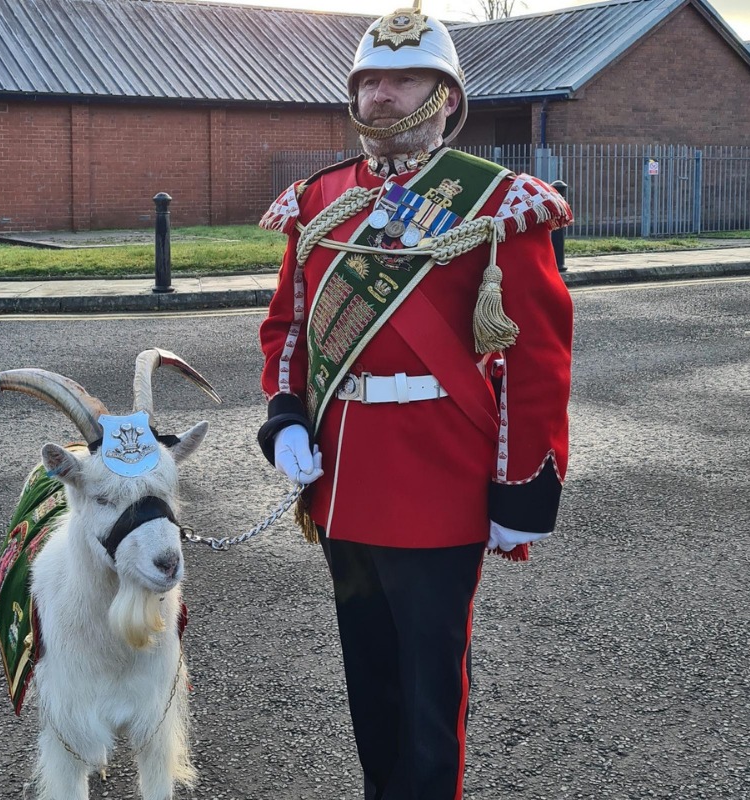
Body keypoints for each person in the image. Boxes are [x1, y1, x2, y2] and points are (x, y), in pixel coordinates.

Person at [255, 6, 574, 799]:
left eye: (404, 80)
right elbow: (287, 327)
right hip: (345, 482)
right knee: (368, 679)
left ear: (447, 98)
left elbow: (537, 355)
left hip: (442, 479)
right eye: (370, 82)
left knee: (433, 694)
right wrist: (285, 416)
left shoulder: (495, 202)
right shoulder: (318, 197)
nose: (383, 97)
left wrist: (522, 482)